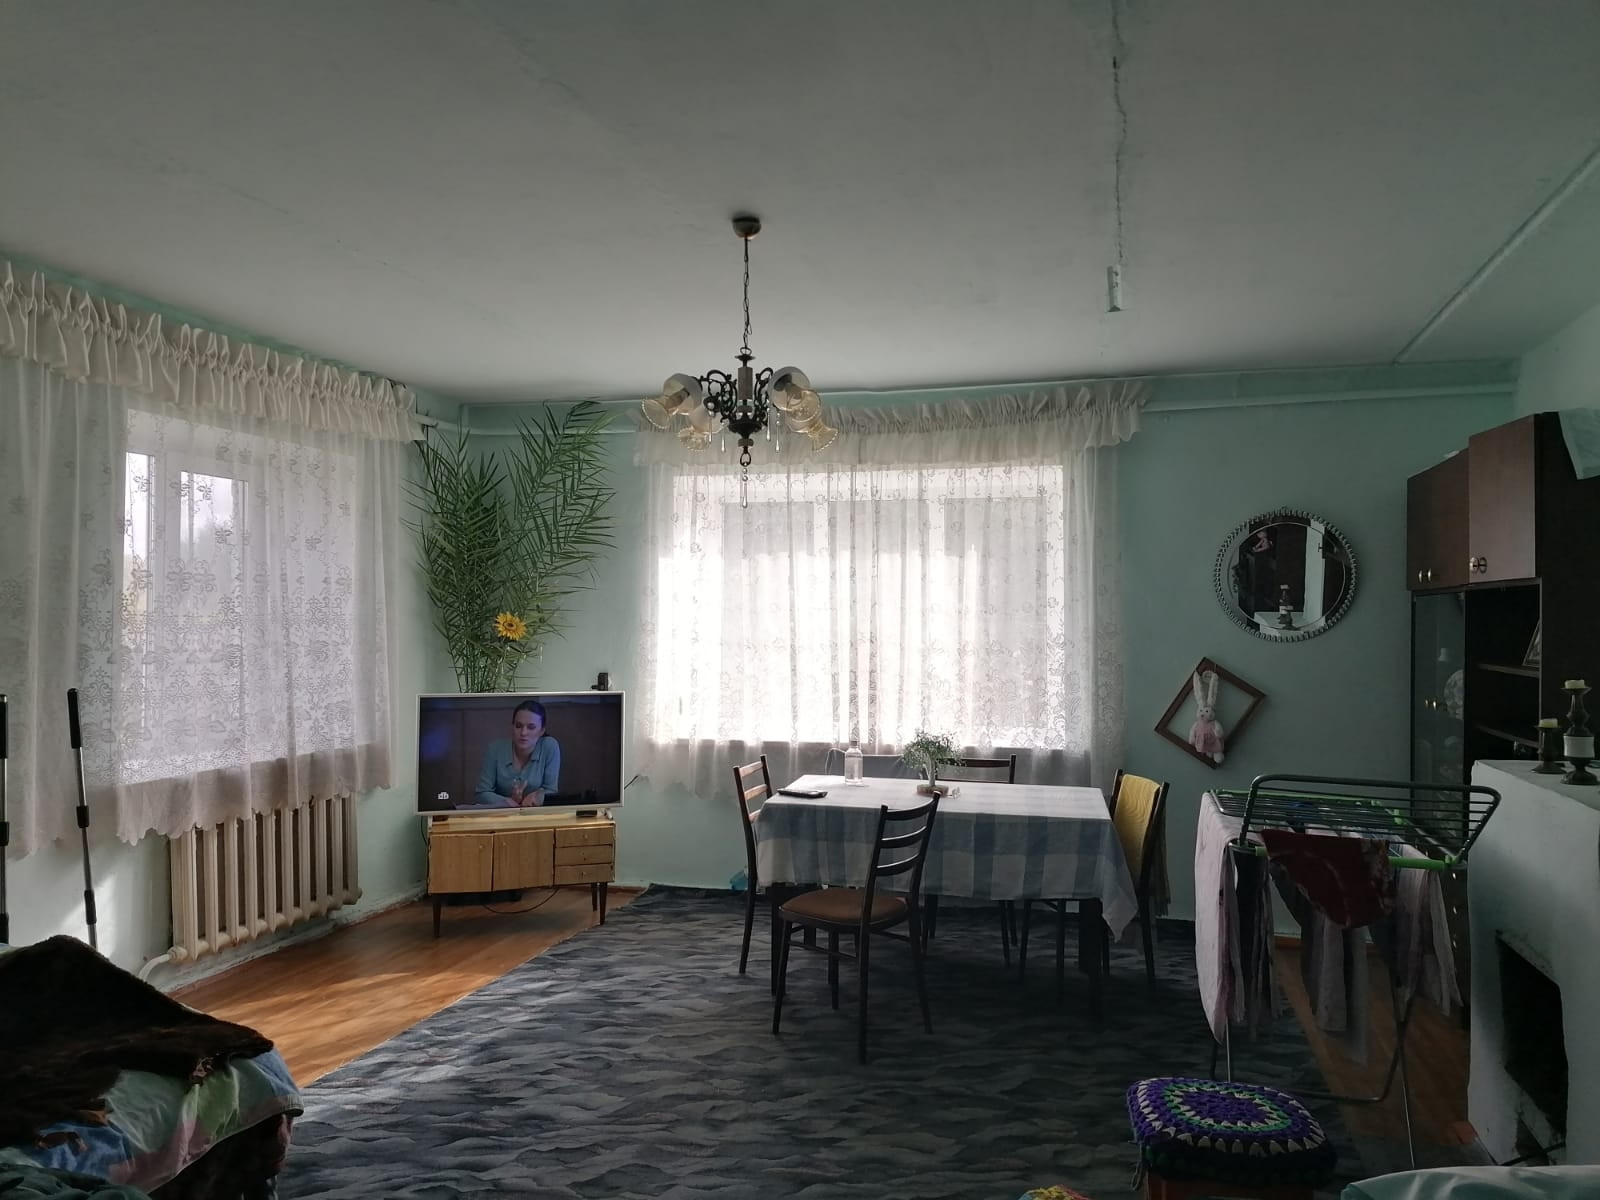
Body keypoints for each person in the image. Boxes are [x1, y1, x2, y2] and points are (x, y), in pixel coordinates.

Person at [462, 699, 561, 808]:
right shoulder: (495, 749)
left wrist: (538, 797)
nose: (523, 733)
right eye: (518, 726)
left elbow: (552, 791)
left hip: (537, 814)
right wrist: (506, 802)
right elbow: (481, 793)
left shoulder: (549, 746)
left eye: (531, 727)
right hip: (501, 814)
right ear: (512, 727)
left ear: (542, 731)